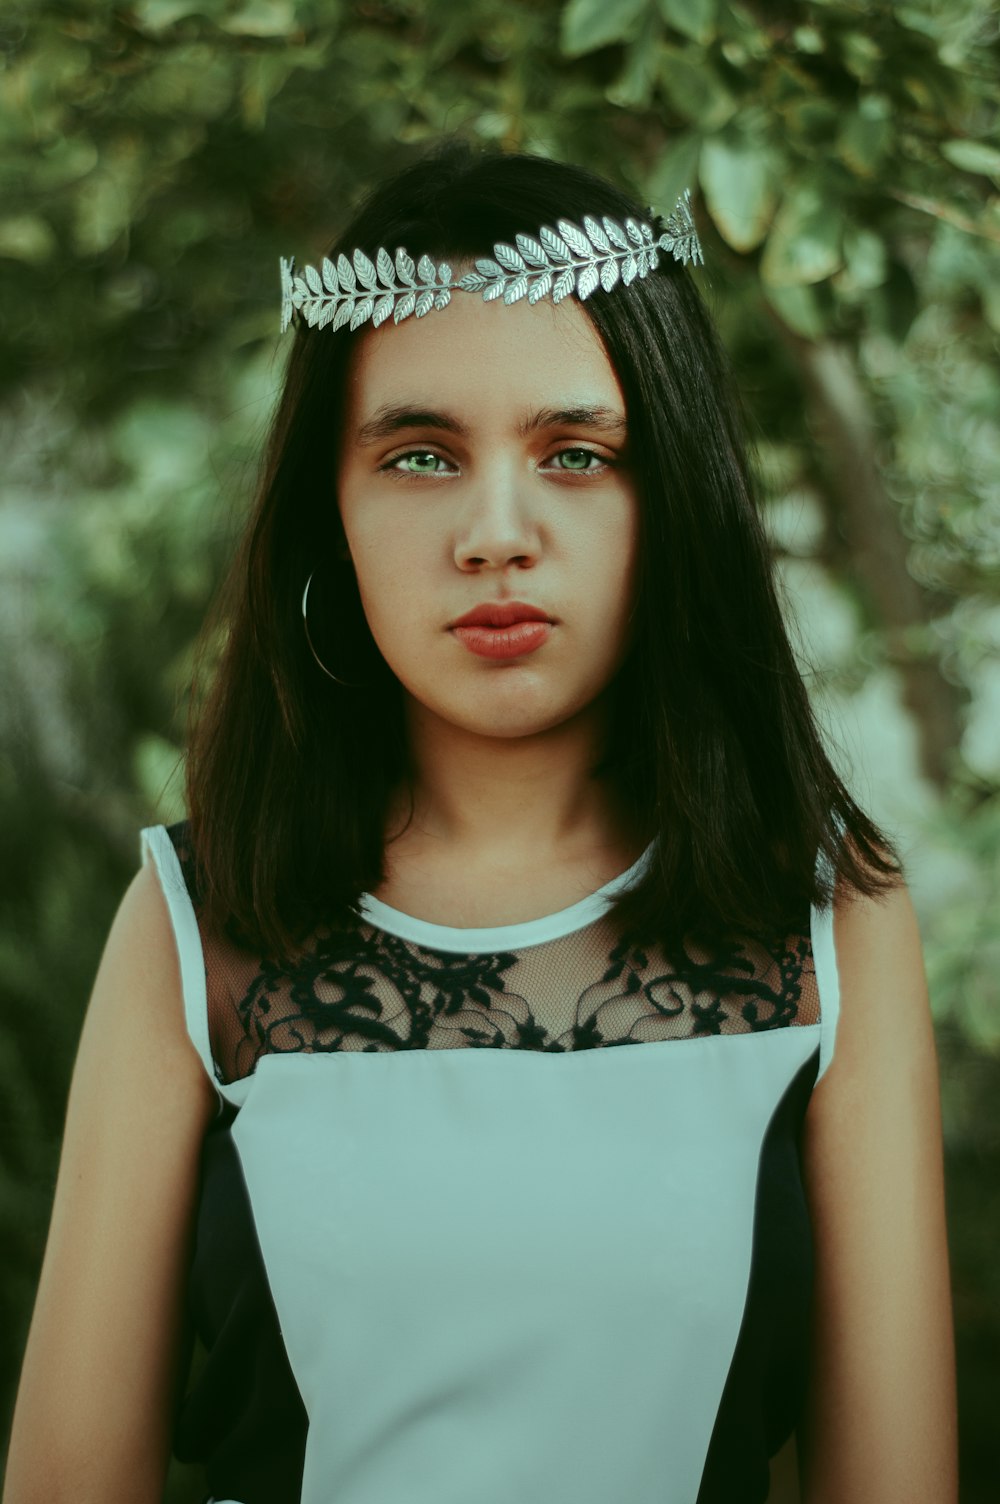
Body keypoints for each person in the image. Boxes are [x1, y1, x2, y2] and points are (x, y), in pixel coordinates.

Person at [3, 142, 958, 1504]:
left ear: (672, 491)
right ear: (330, 508)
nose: (494, 534)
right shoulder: (197, 925)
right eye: (419, 454)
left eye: (576, 453)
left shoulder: (828, 926)